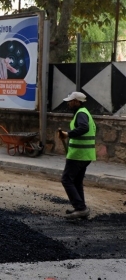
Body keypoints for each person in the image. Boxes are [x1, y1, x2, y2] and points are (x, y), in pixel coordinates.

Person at [58, 91, 96, 220]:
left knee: (66, 179)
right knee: (76, 181)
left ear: (76, 102)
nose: (68, 103)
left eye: (70, 101)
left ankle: (80, 208)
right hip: (85, 154)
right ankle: (81, 207)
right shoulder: (85, 113)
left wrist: (67, 134)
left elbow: (84, 128)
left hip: (78, 154)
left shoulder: (81, 114)